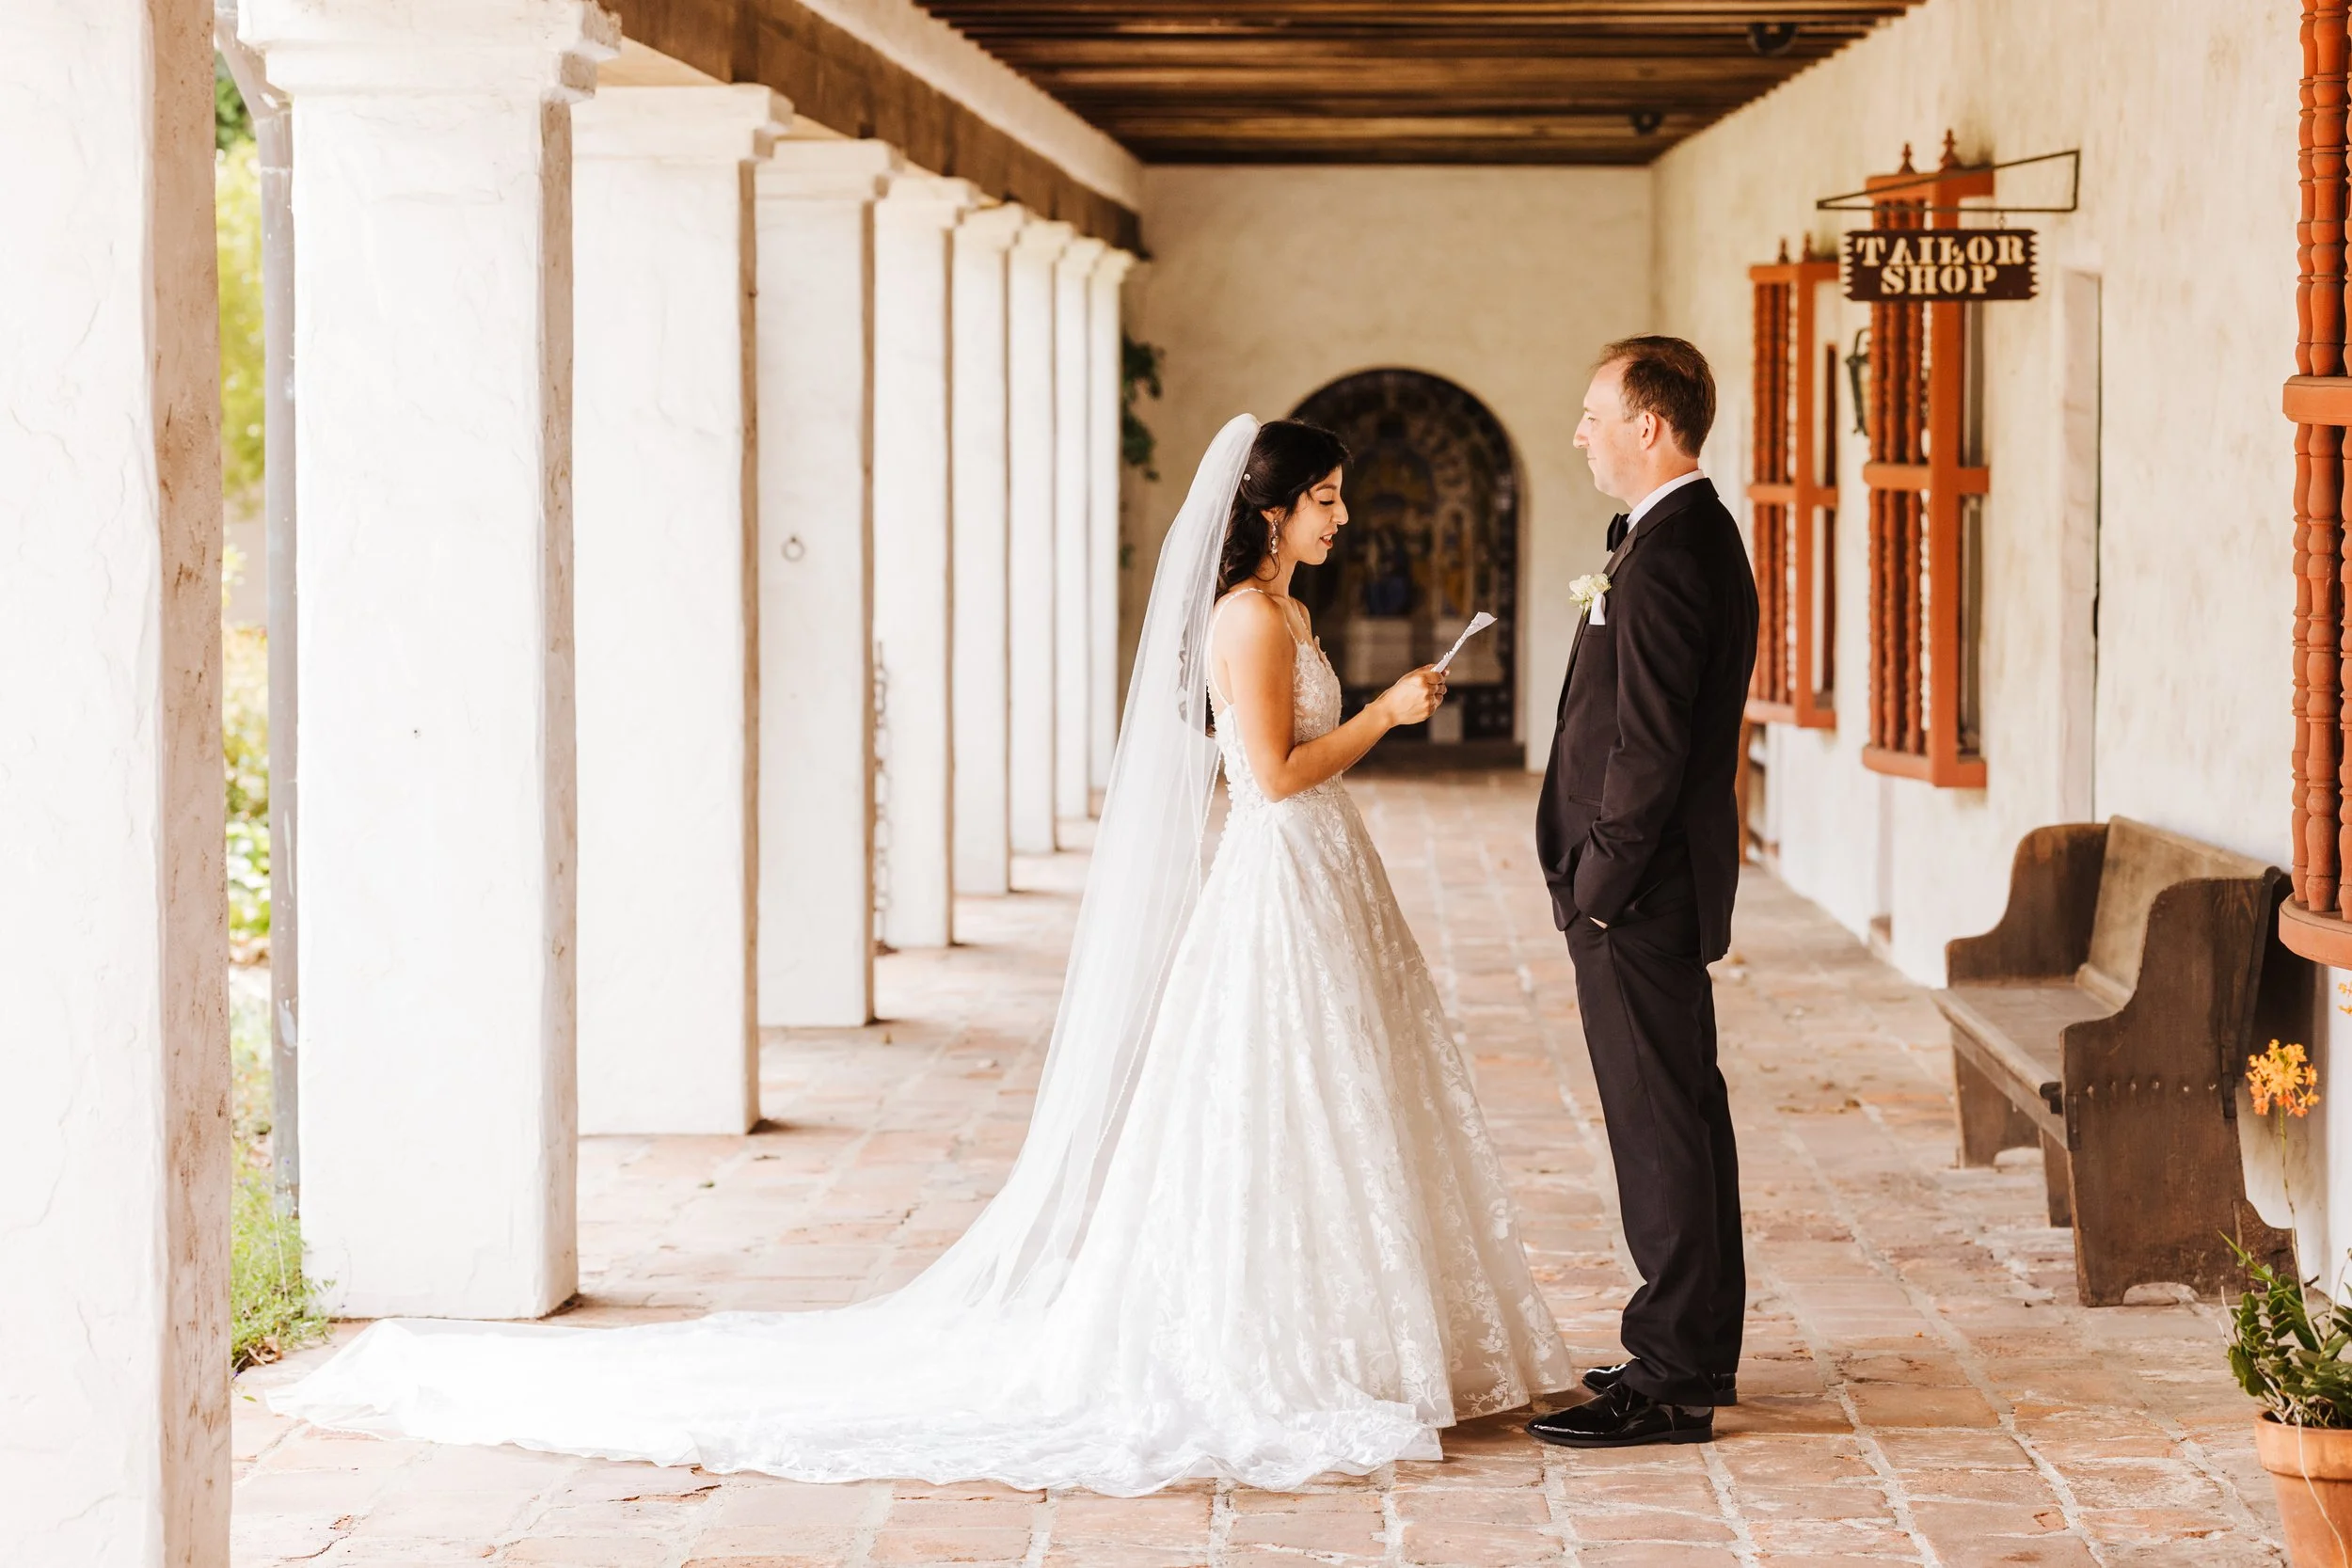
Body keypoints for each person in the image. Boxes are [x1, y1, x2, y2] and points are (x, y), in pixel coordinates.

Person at [269, 415, 1572, 1496]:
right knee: (1274, 1105)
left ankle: (1353, 1332)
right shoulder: (1247, 618)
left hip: (1322, 880)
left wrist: (1380, 711)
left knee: (1338, 1106)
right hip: (1280, 877)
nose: (1342, 517)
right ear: (1271, 511)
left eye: (1339, 498)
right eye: (1325, 500)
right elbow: (1272, 777)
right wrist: (1387, 715)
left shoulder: (1287, 608)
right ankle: (1274, 1346)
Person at [1529, 337, 1758, 1450]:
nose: (1579, 433)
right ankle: (1694, 1346)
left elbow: (1650, 746)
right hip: (1651, 885)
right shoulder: (1676, 534)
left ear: (1649, 427)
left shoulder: (1672, 552)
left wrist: (1599, 884)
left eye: (1593, 413)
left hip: (1639, 891)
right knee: (1682, 1114)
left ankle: (1669, 1379)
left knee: (1658, 1125)